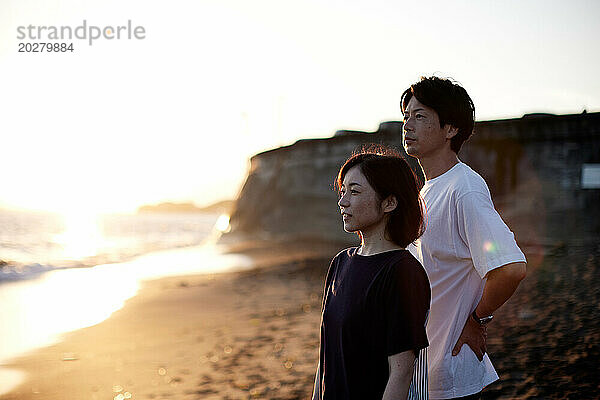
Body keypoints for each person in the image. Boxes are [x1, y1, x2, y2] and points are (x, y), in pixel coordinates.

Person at [400, 76, 527, 399]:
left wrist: (477, 318)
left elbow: (510, 267)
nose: (407, 125)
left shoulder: (464, 189)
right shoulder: (427, 191)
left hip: (451, 368)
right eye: (406, 116)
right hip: (426, 366)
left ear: (450, 129)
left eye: (420, 116)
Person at [313, 149, 431, 400]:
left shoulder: (403, 271)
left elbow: (401, 372)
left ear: (390, 202)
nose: (342, 201)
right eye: (342, 191)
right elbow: (325, 358)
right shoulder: (340, 263)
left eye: (354, 192)